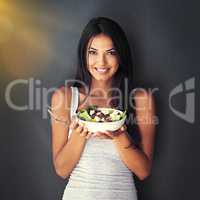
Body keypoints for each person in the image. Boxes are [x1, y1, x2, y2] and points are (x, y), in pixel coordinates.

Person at [49, 17, 156, 200]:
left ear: (121, 55)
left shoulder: (141, 99)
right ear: (84, 54)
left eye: (110, 52)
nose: (101, 62)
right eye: (93, 52)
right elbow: (62, 169)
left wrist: (119, 135)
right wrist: (79, 134)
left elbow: (143, 171)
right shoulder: (64, 97)